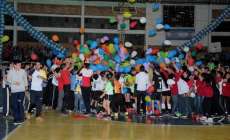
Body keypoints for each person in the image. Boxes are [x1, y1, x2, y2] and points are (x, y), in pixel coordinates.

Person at [7, 60, 28, 124]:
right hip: (14, 91)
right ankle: (16, 119)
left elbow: (25, 79)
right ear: (15, 65)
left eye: (20, 65)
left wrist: (26, 87)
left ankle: (21, 119)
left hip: (21, 91)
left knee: (20, 104)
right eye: (18, 65)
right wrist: (14, 82)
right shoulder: (10, 72)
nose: (20, 66)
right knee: (15, 105)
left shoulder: (23, 71)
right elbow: (8, 80)